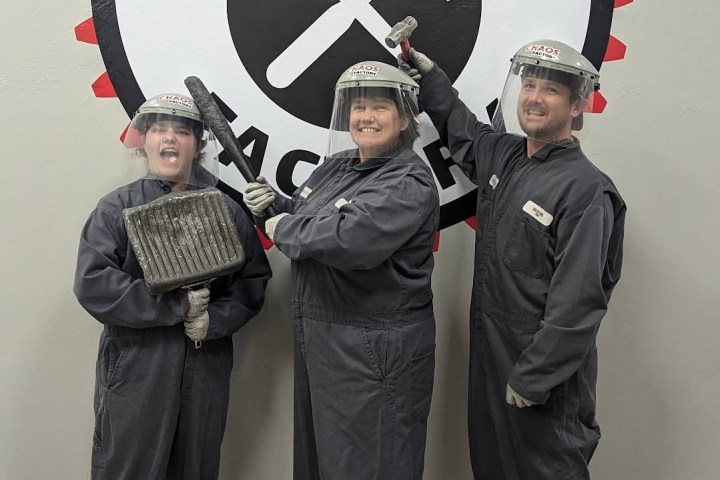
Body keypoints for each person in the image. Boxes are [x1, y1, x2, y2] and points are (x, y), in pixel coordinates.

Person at [398, 40, 626, 479]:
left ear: (577, 105)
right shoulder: (505, 156)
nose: (535, 98)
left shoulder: (585, 190)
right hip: (491, 358)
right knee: (492, 467)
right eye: (530, 85)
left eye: (551, 91)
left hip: (542, 377)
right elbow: (464, 131)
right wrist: (430, 77)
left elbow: (578, 302)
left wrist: (536, 376)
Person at [243, 61, 439, 480]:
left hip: (375, 348)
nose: (365, 117)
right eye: (358, 107)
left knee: (372, 463)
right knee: (324, 461)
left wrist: (285, 227)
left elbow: (350, 239)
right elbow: (305, 216)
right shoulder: (338, 166)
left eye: (379, 108)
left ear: (404, 118)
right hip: (324, 341)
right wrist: (272, 207)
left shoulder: (409, 181)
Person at [74, 93, 272, 480]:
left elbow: (252, 280)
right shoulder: (117, 209)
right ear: (143, 141)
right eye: (159, 130)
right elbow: (94, 282)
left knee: (195, 468)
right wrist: (174, 306)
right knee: (129, 468)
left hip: (203, 363)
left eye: (181, 131)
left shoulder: (224, 209)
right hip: (137, 364)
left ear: (197, 145)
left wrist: (213, 320)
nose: (169, 140)